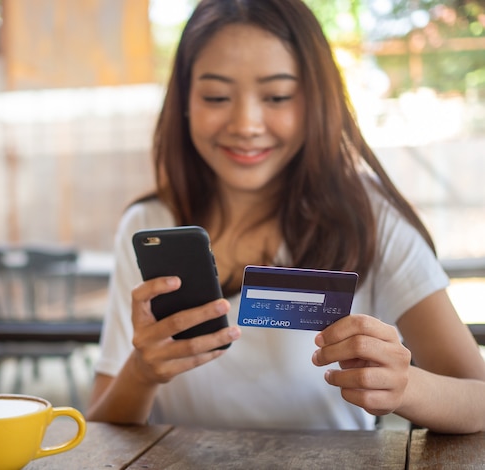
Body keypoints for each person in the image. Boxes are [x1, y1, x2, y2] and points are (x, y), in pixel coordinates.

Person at [87, 0, 485, 433]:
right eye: (216, 96)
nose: (246, 123)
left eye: (277, 96)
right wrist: (143, 372)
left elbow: (478, 398)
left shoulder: (370, 220)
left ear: (316, 100)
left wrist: (406, 388)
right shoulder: (149, 227)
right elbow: (101, 432)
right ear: (183, 102)